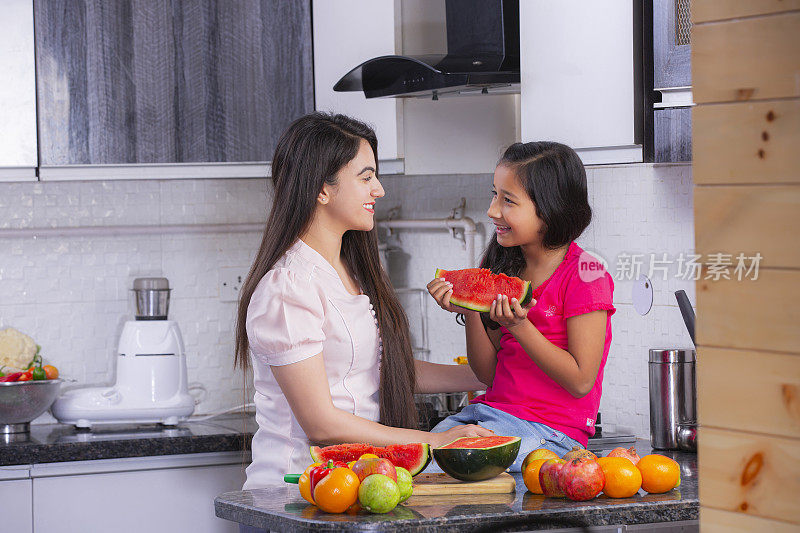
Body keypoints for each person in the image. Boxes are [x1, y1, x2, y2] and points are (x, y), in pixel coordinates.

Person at [234, 112, 493, 489]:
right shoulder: (288, 286)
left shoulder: (349, 271)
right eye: (366, 177)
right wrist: (437, 442)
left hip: (355, 488)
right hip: (292, 497)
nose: (379, 190)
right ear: (322, 190)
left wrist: (489, 376)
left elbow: (377, 369)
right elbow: (322, 424)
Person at [427, 141, 615, 471]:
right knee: (418, 460)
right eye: (494, 194)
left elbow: (581, 380)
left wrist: (520, 326)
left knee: (440, 467)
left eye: (508, 200)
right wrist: (470, 308)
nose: (492, 210)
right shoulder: (501, 264)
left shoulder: (587, 275)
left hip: (552, 435)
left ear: (549, 209)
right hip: (488, 414)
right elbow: (488, 373)